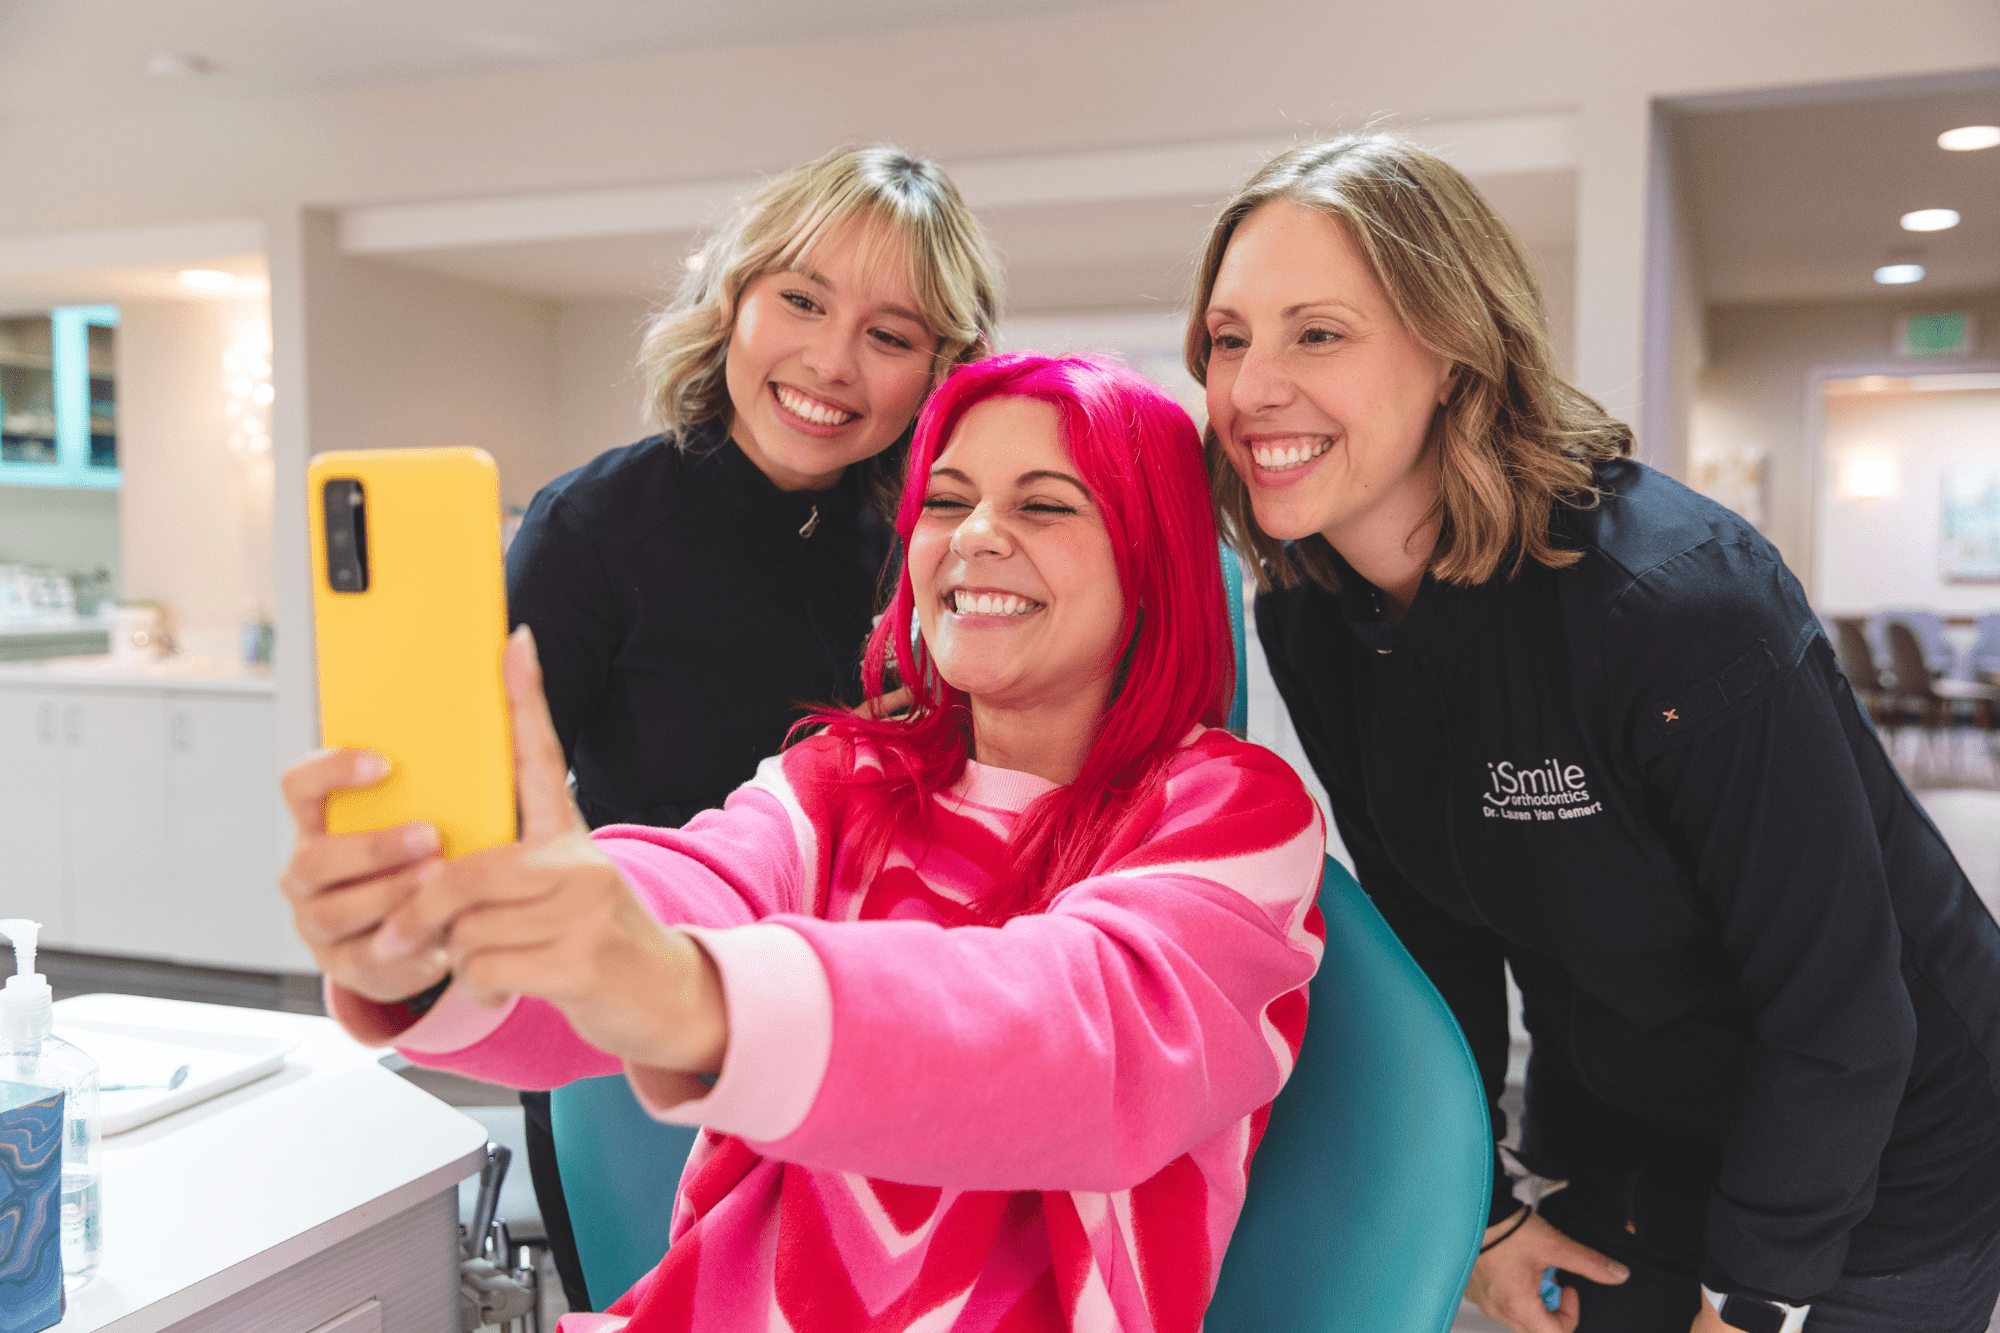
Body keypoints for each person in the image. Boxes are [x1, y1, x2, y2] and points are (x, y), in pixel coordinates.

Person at [280, 353, 1328, 1332]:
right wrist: (439, 948)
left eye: (1045, 505)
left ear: (1152, 560)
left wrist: (687, 991)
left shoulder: (1230, 814)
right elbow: (696, 883)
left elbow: (1077, 1035)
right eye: (947, 501)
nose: (971, 537)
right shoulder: (843, 776)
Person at [1188, 135, 2000, 1333]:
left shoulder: (1673, 603)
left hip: (1878, 1161)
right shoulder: (1311, 614)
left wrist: (1758, 1297)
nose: (1251, 385)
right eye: (1227, 337)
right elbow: (1433, 945)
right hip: (1632, 1130)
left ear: (1454, 353)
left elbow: (1837, 1000)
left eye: (1318, 332)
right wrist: (1488, 1207)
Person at [498, 144, 1003, 1310]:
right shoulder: (592, 530)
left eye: (890, 334)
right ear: (734, 300)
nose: (832, 362)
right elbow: (502, 828)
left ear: (940, 368)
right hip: (643, 1054)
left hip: (880, 1043)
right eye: (803, 301)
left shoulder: (941, 544)